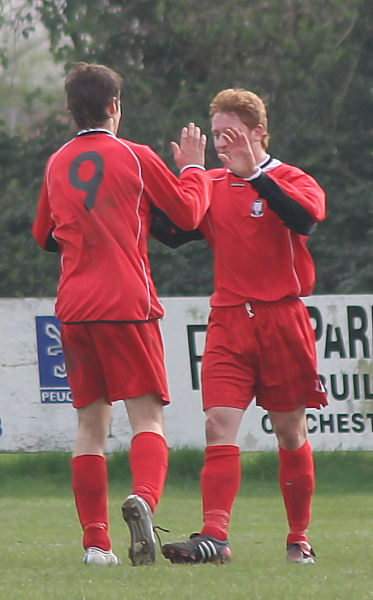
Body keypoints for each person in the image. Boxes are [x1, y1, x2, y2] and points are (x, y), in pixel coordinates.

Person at [32, 62, 215, 567]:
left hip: (73, 308)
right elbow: (187, 213)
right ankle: (144, 501)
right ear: (114, 106)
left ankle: (96, 545)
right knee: (148, 420)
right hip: (126, 304)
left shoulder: (55, 163)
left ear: (72, 112)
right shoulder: (134, 156)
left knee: (89, 427)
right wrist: (196, 167)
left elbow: (43, 234)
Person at [154, 88, 328, 565]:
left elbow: (304, 219)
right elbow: (171, 232)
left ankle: (298, 537)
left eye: (231, 134)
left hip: (282, 318)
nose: (222, 145)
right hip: (230, 319)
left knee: (290, 431)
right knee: (217, 424)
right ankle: (215, 536)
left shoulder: (291, 178)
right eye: (216, 136)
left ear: (258, 133)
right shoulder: (209, 183)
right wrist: (178, 176)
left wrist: (253, 175)